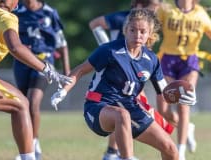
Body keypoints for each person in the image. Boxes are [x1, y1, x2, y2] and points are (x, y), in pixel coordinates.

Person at [51, 8, 196, 160]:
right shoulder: (110, 50)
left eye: (142, 31)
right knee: (122, 115)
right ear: (125, 30)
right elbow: (80, 70)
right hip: (98, 106)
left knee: (171, 149)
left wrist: (182, 96)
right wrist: (63, 90)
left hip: (130, 108)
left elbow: (165, 91)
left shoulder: (152, 60)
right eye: (133, 30)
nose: (137, 35)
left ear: (150, 34)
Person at [0, 0, 72, 160]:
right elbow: (15, 48)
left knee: (23, 102)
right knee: (20, 106)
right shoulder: (7, 17)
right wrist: (45, 69)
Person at [89, 1, 162, 159]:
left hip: (136, 71)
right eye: (153, 6)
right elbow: (94, 24)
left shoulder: (150, 23)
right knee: (121, 110)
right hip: (117, 72)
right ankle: (115, 152)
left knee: (132, 110)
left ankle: (114, 152)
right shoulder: (122, 17)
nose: (156, 10)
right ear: (139, 5)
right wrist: (105, 45)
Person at [13, 0, 70, 159]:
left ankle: (32, 143)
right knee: (22, 104)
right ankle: (30, 146)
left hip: (45, 63)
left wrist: (67, 73)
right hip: (22, 64)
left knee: (33, 102)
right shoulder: (16, 11)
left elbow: (62, 45)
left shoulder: (49, 12)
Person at [156, 0, 211, 160]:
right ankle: (187, 128)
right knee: (163, 110)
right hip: (167, 60)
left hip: (189, 61)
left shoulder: (200, 13)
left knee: (183, 105)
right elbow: (151, 29)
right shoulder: (166, 9)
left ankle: (180, 152)